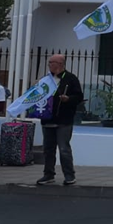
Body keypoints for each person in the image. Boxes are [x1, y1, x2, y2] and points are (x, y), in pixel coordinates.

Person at [36, 54, 84, 187]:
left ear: (60, 64)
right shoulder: (45, 79)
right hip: (47, 119)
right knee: (48, 149)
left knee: (64, 149)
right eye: (49, 62)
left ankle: (69, 175)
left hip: (64, 119)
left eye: (52, 62)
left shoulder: (70, 78)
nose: (50, 64)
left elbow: (79, 96)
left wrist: (68, 99)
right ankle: (48, 174)